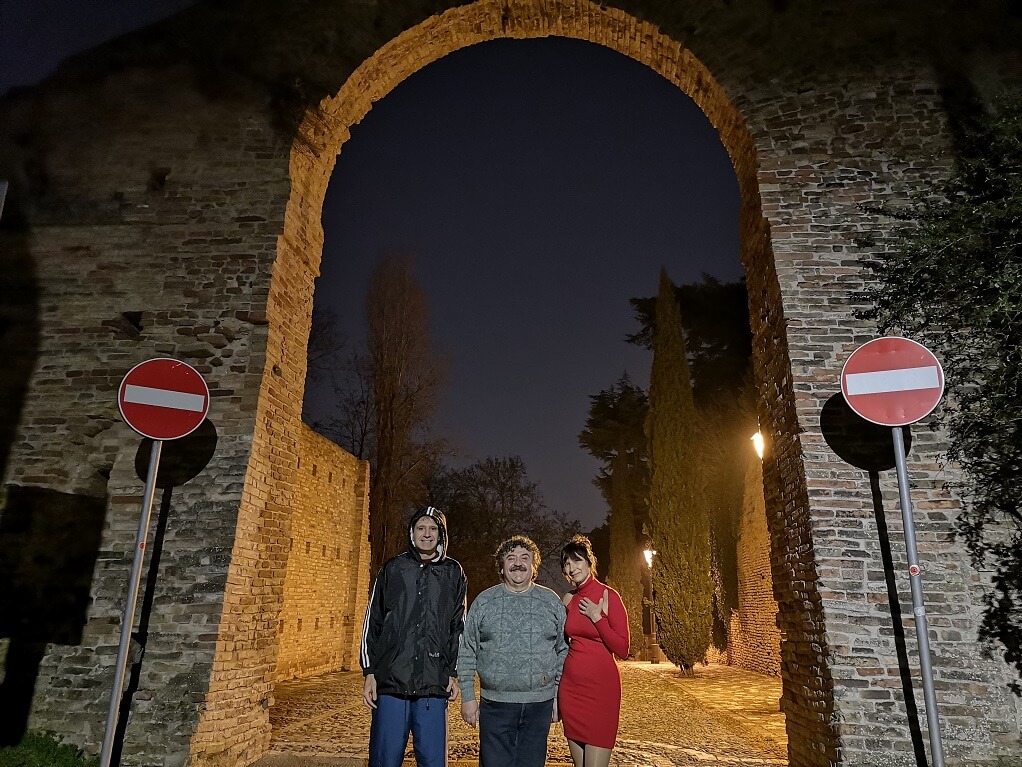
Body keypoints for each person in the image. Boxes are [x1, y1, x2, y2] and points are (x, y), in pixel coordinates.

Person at [360, 506, 467, 767]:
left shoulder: (453, 573)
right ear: (412, 532)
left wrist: (454, 672)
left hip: (433, 683)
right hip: (392, 682)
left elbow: (458, 626)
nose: (427, 534)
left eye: (433, 529)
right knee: (385, 758)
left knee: (432, 761)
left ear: (441, 534)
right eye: (421, 528)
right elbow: (372, 620)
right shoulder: (393, 568)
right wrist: (370, 672)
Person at [458, 535, 568, 767]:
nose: (518, 563)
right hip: (495, 706)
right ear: (502, 565)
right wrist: (467, 697)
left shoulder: (550, 601)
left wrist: (558, 696)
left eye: (524, 558)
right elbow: (467, 649)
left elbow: (563, 650)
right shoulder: (484, 602)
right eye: (511, 558)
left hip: (540, 705)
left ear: (533, 566)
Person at [557, 534, 630, 767]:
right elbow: (557, 644)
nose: (572, 567)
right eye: (567, 564)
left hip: (601, 692)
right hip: (571, 691)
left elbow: (623, 648)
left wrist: (598, 618)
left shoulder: (609, 596)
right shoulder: (567, 599)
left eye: (577, 561)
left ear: (589, 562)